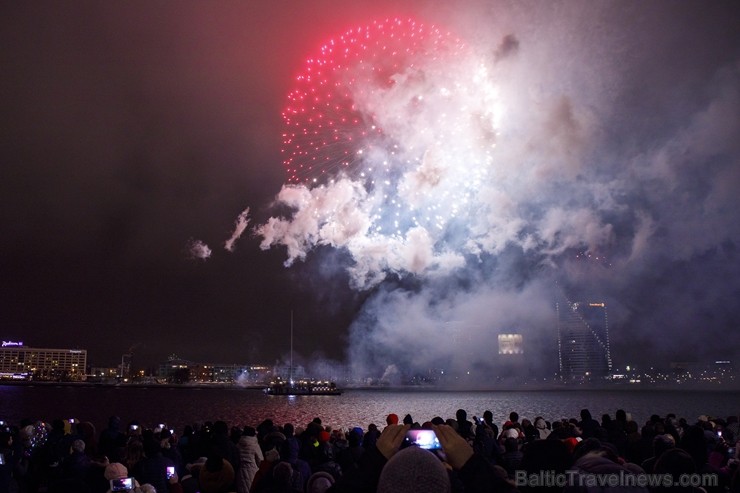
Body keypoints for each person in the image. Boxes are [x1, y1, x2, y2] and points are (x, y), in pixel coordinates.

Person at [237, 427, 263, 493]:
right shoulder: (255, 445)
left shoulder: (238, 445)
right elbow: (260, 461)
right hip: (253, 472)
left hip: (240, 473)